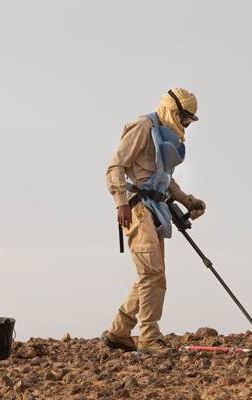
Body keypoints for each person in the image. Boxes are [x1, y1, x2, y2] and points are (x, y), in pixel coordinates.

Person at [102, 88, 207, 352]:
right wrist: (121, 203)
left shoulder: (163, 136)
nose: (185, 124)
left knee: (151, 274)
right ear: (172, 110)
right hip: (137, 208)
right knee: (152, 273)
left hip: (155, 208)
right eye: (184, 118)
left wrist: (188, 201)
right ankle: (149, 336)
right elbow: (115, 165)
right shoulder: (143, 127)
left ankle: (119, 331)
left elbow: (165, 179)